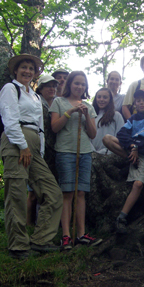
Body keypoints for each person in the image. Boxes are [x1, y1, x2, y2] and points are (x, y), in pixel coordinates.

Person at [0, 54, 63, 259]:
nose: (27, 71)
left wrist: (38, 150)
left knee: (52, 192)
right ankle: (17, 246)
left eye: (31, 69)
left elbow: (40, 127)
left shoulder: (34, 96)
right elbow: (9, 119)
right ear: (15, 71)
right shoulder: (10, 89)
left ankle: (41, 239)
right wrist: (22, 146)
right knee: (16, 194)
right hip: (16, 140)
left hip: (33, 144)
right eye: (23, 68)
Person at [50, 71, 101, 250]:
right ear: (69, 84)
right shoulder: (58, 102)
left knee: (81, 193)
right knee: (67, 193)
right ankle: (66, 235)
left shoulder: (89, 106)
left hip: (85, 152)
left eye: (83, 84)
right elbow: (55, 127)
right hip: (65, 151)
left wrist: (86, 115)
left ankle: (81, 233)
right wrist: (71, 111)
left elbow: (93, 134)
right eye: (76, 83)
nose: (80, 87)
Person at [103, 89, 144, 234]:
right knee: (107, 139)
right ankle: (132, 159)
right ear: (134, 103)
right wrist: (133, 146)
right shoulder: (133, 118)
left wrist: (138, 147)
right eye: (138, 100)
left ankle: (122, 217)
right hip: (132, 149)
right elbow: (122, 133)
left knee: (138, 184)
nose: (141, 103)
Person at [26, 75, 59, 226]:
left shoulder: (57, 104)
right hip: (37, 150)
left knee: (48, 189)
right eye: (48, 86)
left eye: (54, 86)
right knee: (33, 192)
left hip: (53, 152)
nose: (51, 89)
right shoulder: (35, 102)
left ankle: (44, 223)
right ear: (40, 88)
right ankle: (29, 224)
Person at [91, 87, 125, 154]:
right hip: (93, 153)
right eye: (99, 97)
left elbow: (120, 136)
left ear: (110, 99)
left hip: (110, 153)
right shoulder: (91, 116)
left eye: (105, 97)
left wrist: (108, 151)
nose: (101, 99)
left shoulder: (116, 115)